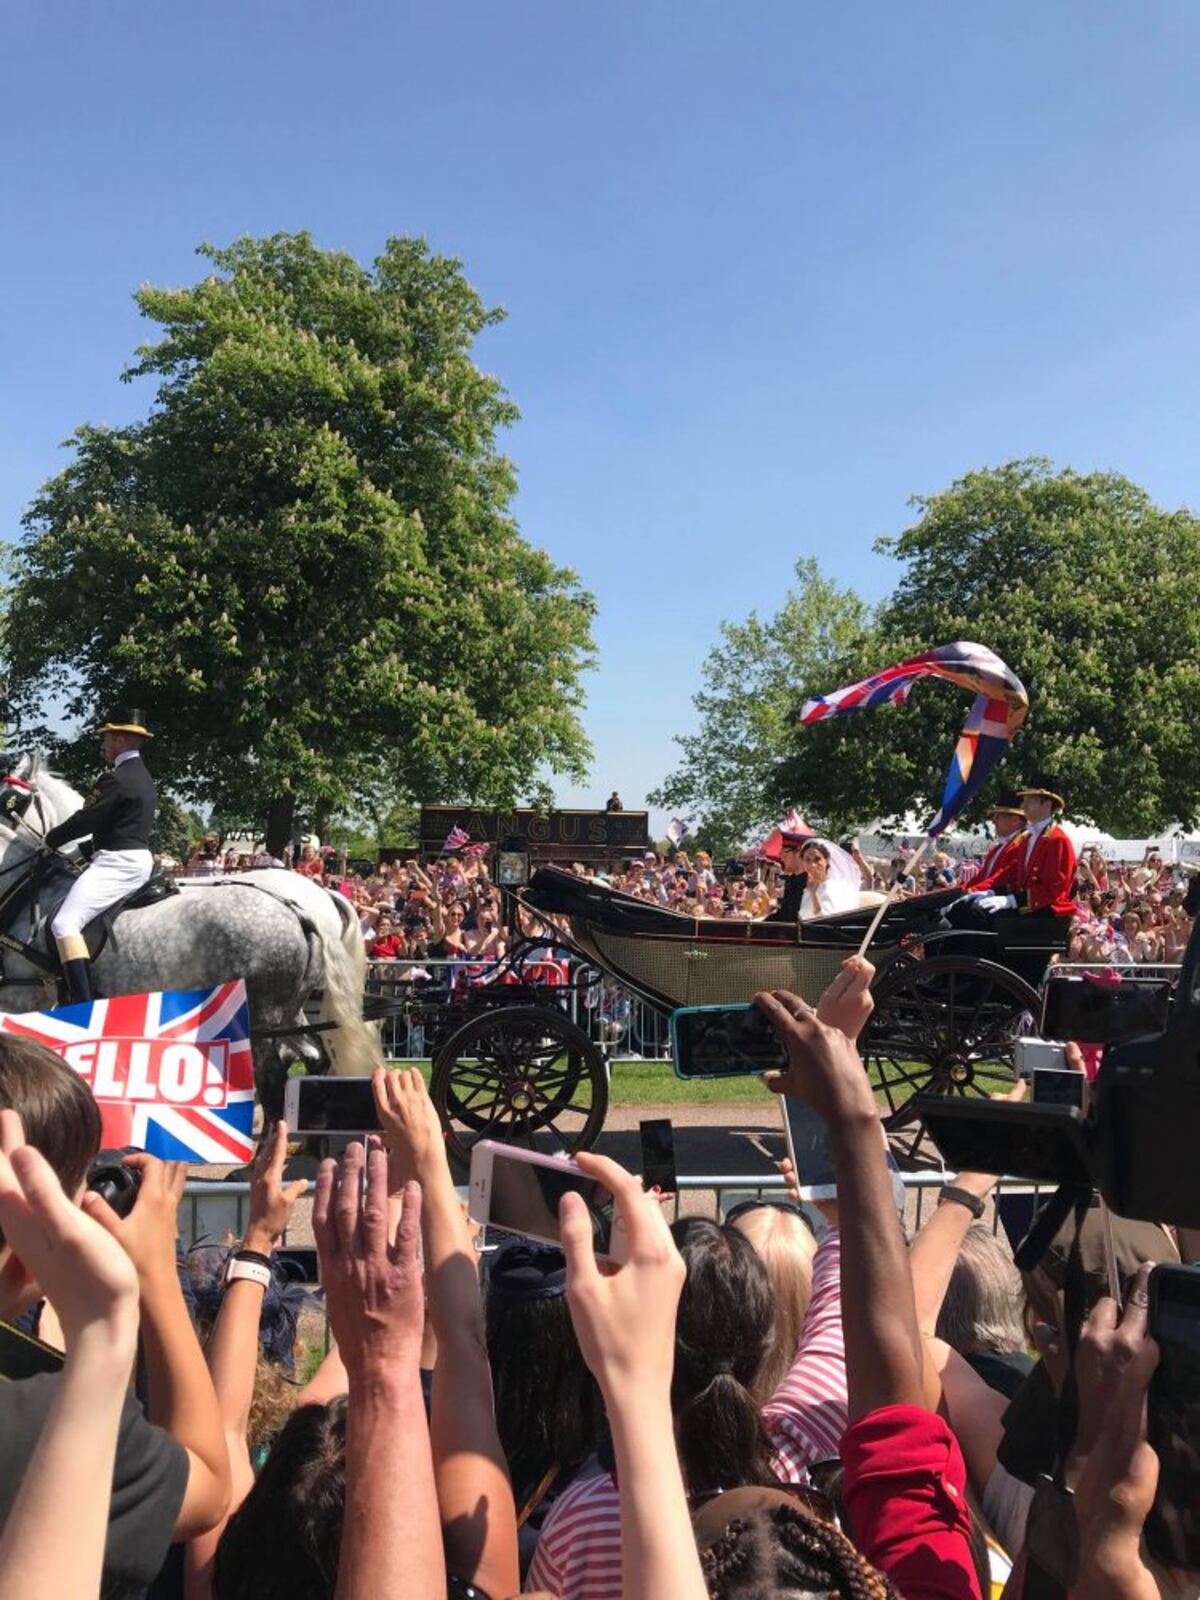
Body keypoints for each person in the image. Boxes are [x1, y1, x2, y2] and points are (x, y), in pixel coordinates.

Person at [44, 708, 158, 1003]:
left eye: (106, 738)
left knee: (64, 924)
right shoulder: (144, 777)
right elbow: (119, 826)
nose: (103, 744)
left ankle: (81, 1001)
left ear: (120, 740)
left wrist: (51, 839)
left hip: (117, 863)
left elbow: (86, 819)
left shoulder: (115, 779)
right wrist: (81, 850)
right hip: (134, 856)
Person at [766, 829, 815, 922]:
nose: (780, 856)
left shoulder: (811, 882)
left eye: (784, 851)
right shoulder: (791, 880)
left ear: (799, 853)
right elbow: (784, 915)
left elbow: (794, 917)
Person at [976, 793, 1026, 880]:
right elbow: (980, 877)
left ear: (1015, 820)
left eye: (998, 816)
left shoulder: (1022, 846)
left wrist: (970, 891)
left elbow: (1000, 879)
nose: (993, 821)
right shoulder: (995, 849)